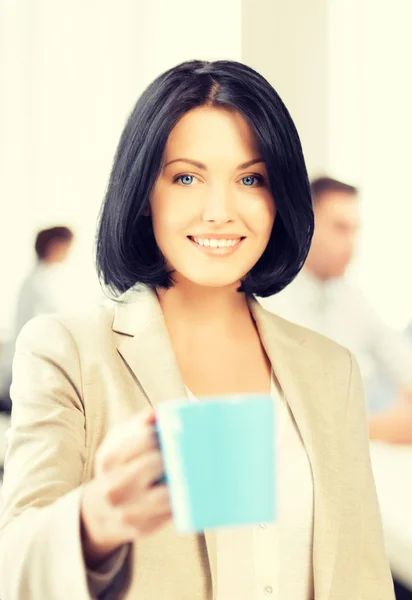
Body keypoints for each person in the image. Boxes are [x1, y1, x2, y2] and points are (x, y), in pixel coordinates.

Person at [0, 61, 394, 599]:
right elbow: (13, 566)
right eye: (186, 177)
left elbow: (361, 576)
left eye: (250, 179)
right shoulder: (67, 352)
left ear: (278, 199)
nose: (219, 211)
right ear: (145, 194)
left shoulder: (331, 370)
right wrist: (94, 520)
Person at [260, 177, 412, 445]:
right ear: (305, 224)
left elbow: (403, 365)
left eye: (355, 231)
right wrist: (378, 429)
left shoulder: (351, 298)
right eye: (341, 228)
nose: (351, 244)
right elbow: (291, 419)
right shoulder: (268, 300)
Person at [0, 226, 74, 413]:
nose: (68, 253)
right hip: (25, 367)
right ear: (53, 246)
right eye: (66, 246)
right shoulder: (39, 282)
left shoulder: (40, 278)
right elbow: (59, 320)